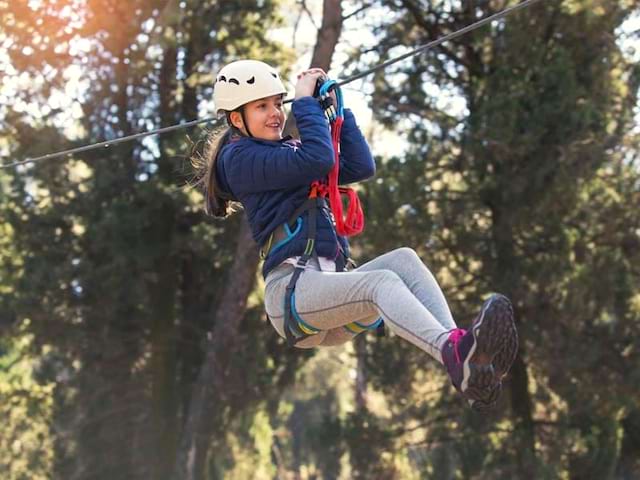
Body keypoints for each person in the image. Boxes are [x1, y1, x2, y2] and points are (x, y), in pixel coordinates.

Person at [198, 59, 518, 410]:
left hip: (330, 297)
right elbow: (319, 159)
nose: (275, 112)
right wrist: (304, 103)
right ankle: (455, 354)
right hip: (293, 295)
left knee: (404, 261)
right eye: (262, 106)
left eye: (278, 103)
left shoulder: (284, 153)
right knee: (380, 283)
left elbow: (360, 166)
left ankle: (464, 359)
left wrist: (337, 111)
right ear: (235, 118)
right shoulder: (239, 159)